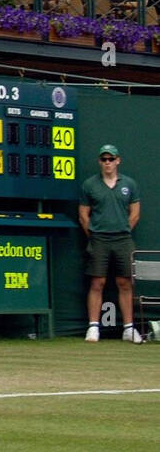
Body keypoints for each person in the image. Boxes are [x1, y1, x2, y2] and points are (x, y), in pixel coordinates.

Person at [80, 144, 143, 344]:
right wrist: (94, 234)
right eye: (104, 159)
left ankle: (128, 328)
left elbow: (135, 213)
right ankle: (93, 328)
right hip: (98, 239)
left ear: (118, 160)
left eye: (111, 159)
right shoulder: (89, 185)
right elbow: (83, 215)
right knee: (97, 282)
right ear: (100, 161)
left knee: (125, 283)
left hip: (123, 239)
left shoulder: (130, 184)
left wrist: (123, 229)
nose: (107, 163)